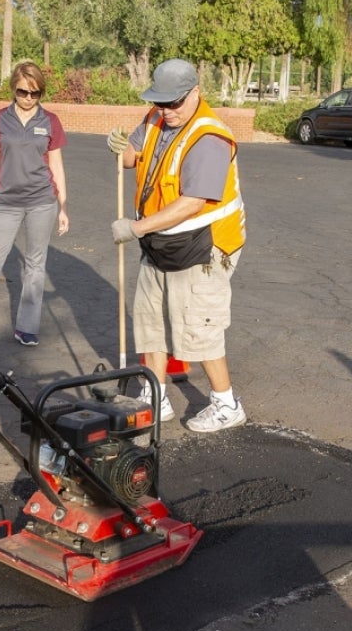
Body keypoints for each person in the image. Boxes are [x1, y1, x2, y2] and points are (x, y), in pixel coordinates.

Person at [106, 58, 247, 433]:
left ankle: (226, 404)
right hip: (160, 241)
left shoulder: (209, 138)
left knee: (200, 328)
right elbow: (132, 157)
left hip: (203, 247)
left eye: (174, 103)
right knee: (150, 323)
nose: (166, 110)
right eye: (160, 102)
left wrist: (136, 228)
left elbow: (192, 203)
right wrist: (120, 148)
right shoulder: (155, 118)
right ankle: (156, 397)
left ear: (194, 93)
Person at [0, 61, 69, 346]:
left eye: (35, 93)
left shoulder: (50, 122)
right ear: (14, 89)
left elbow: (57, 166)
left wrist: (63, 206)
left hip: (42, 201)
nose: (28, 98)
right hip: (6, 202)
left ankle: (27, 327)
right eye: (23, 92)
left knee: (35, 266)